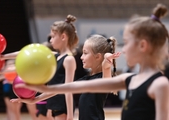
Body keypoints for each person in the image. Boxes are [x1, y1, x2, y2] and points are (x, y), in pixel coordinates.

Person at [12, 3, 169, 120]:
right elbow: (72, 87)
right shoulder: (129, 79)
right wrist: (38, 94)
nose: (124, 49)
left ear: (143, 45)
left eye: (127, 42)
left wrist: (107, 65)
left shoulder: (159, 84)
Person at [11, 34, 120, 120]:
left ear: (97, 57)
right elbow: (61, 88)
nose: (81, 57)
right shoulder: (86, 80)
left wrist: (106, 61)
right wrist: (36, 99)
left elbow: (106, 69)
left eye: (85, 53)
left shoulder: (102, 81)